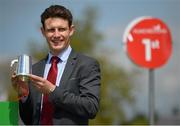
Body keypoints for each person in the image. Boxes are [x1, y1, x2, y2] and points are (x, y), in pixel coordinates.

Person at [11, 5, 101, 125]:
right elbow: (28, 120)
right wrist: (24, 94)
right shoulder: (35, 70)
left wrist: (52, 91)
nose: (56, 35)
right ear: (43, 32)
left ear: (71, 30)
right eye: (51, 30)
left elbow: (91, 107)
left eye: (62, 29)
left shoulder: (86, 65)